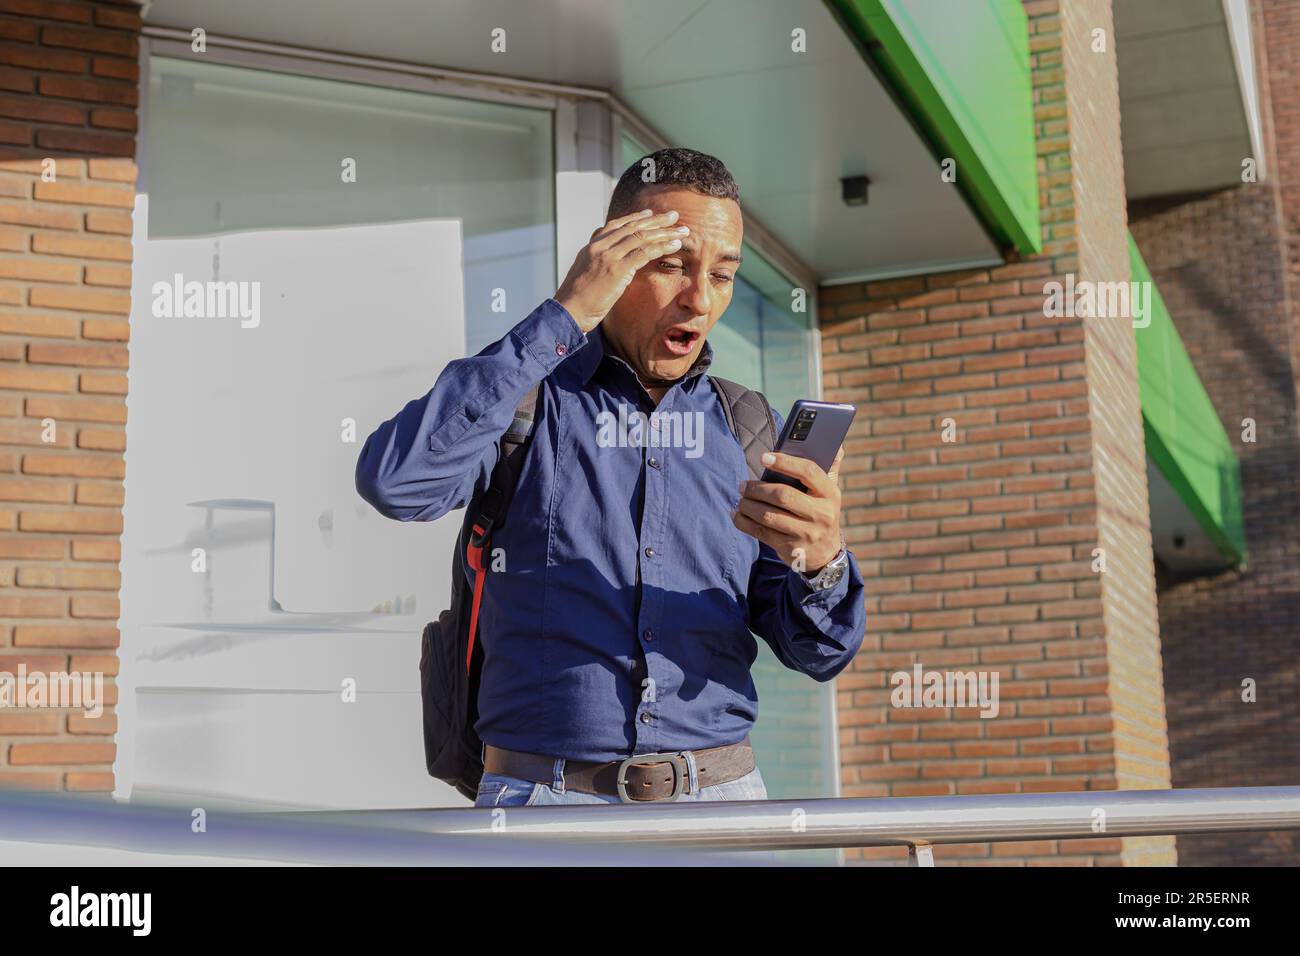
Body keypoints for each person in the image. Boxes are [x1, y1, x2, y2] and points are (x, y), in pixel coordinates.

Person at [356, 148, 866, 807]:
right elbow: (396, 482)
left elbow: (820, 653)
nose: (701, 299)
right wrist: (565, 315)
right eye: (671, 266)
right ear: (612, 262)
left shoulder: (748, 429)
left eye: (723, 274)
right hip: (545, 809)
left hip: (721, 807)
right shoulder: (527, 403)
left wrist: (822, 564)